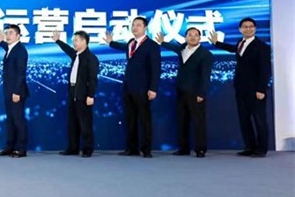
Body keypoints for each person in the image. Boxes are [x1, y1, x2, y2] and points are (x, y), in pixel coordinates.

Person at [210, 17, 271, 157]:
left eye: (250, 26)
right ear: (240, 29)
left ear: (255, 29)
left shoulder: (262, 47)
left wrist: (261, 89)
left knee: (259, 119)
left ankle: (261, 149)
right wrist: (216, 43)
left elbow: (265, 70)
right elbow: (233, 49)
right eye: (245, 27)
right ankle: (250, 147)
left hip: (255, 90)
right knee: (244, 119)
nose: (248, 29)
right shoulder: (240, 43)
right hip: (241, 87)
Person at [105, 17, 160, 158]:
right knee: (130, 118)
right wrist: (111, 43)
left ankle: (146, 149)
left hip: (143, 88)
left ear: (145, 28)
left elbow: (156, 69)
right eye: (133, 25)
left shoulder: (152, 45)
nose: (135, 27)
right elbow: (123, 47)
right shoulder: (131, 43)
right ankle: (131, 148)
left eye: (138, 25)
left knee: (144, 119)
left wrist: (153, 88)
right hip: (128, 87)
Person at [156, 28, 213, 158]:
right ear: (185, 37)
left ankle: (200, 149)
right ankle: (183, 148)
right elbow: (173, 47)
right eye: (190, 35)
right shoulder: (182, 49)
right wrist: (162, 42)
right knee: (182, 121)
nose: (192, 37)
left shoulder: (206, 54)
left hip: (196, 93)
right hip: (181, 91)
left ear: (200, 38)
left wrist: (201, 93)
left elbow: (205, 76)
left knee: (198, 122)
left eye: (196, 35)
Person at [52, 29, 99, 158]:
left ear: (84, 41)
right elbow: (67, 49)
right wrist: (58, 41)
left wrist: (90, 95)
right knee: (72, 122)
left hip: (83, 95)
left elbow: (93, 79)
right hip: (73, 92)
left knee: (85, 123)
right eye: (73, 41)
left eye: (76, 41)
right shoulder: (76, 55)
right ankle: (73, 148)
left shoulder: (91, 58)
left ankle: (87, 149)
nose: (74, 43)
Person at [0, 24, 30, 158]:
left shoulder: (21, 50)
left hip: (16, 92)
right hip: (8, 90)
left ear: (18, 36)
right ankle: (10, 146)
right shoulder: (12, 48)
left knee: (18, 120)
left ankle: (21, 149)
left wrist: (17, 92)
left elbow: (21, 73)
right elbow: (9, 50)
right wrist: (1, 42)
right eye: (6, 33)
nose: (7, 35)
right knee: (10, 120)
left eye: (10, 33)